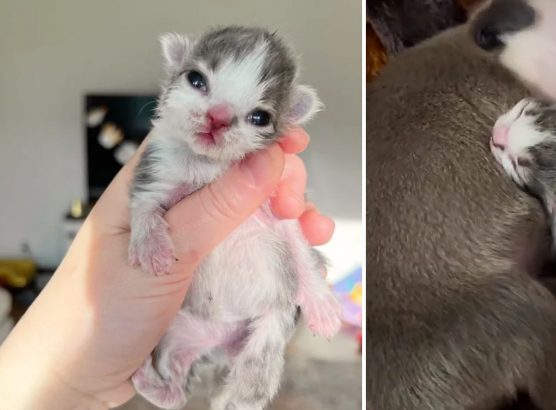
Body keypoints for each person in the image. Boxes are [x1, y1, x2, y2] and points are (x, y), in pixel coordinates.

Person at [0, 128, 334, 409]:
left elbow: (293, 240)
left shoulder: (268, 181)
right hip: (193, 312)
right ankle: (172, 381)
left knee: (273, 323)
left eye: (257, 118)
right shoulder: (176, 168)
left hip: (256, 306)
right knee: (179, 337)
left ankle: (246, 396)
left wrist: (312, 292)